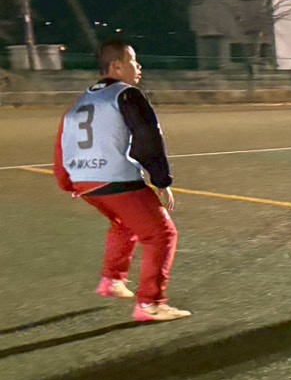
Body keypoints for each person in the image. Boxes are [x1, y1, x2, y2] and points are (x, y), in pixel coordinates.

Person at [53, 40, 190, 323]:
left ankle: (112, 281)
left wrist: (67, 181)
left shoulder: (80, 101)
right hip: (115, 178)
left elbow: (62, 144)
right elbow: (148, 138)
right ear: (116, 66)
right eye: (133, 61)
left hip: (84, 181)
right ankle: (151, 304)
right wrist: (161, 181)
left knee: (124, 223)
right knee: (161, 234)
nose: (138, 66)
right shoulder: (128, 95)